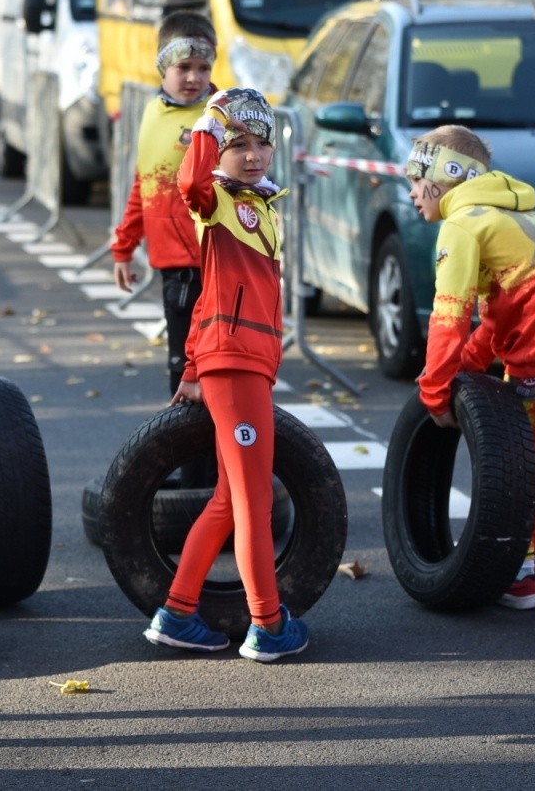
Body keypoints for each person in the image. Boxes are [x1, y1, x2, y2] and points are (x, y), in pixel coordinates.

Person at [407, 126, 535, 609]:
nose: (412, 191)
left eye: (417, 178)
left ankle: (516, 573)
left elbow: (449, 314)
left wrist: (436, 391)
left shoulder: (461, 225)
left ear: (444, 176)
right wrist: (469, 365)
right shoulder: (514, 213)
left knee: (513, 459)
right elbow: (498, 314)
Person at [141, 88, 309, 662]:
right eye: (241, 145)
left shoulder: (262, 206)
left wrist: (190, 367)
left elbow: (209, 295)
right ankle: (267, 625)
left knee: (228, 498)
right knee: (255, 502)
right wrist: (211, 124)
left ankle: (177, 612)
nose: (255, 154)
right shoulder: (212, 197)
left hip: (238, 363)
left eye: (263, 143)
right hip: (235, 364)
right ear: (219, 152)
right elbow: (188, 184)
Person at [112, 11, 217, 396]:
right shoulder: (154, 112)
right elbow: (145, 184)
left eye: (203, 67)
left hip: (205, 263)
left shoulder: (217, 118)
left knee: (199, 371)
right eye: (183, 67)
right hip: (172, 264)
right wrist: (123, 247)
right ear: (162, 68)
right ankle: (191, 454)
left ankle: (202, 455)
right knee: (182, 369)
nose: (193, 77)